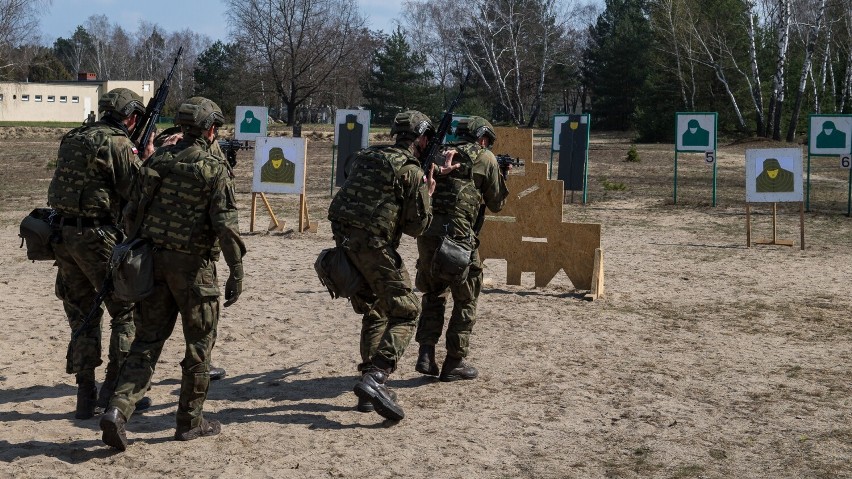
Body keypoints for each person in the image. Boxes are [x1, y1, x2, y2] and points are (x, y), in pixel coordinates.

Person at [100, 97, 246, 450]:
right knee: (198, 347)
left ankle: (118, 410)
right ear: (211, 128)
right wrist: (237, 271)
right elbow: (226, 227)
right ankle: (189, 422)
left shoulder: (158, 159)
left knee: (146, 343)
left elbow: (132, 210)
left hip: (153, 264)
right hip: (195, 270)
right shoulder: (213, 167)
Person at [47, 87, 154, 419]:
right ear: (132, 117)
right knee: (126, 312)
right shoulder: (118, 144)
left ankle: (85, 393)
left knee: (83, 314)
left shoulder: (73, 137)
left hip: (62, 235)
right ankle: (114, 391)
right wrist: (147, 156)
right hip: (96, 235)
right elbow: (139, 190)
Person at [327, 110, 439, 421]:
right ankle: (376, 377)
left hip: (346, 242)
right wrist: (428, 193)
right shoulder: (411, 171)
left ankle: (366, 391)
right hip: (375, 247)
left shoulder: (368, 157)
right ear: (420, 137)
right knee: (407, 311)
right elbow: (418, 226)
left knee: (376, 309)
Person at [413, 116, 509, 382]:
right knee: (465, 299)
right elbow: (497, 202)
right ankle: (454, 361)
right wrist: (502, 174)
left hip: (428, 235)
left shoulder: (440, 153)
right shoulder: (485, 158)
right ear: (482, 137)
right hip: (457, 239)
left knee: (433, 294)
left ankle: (426, 354)